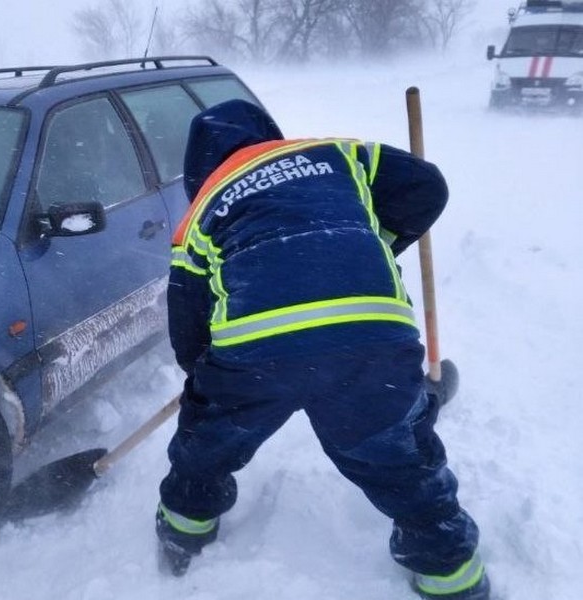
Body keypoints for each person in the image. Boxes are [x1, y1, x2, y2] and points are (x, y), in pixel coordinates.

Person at [154, 99, 489, 600]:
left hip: (253, 353)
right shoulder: (334, 154)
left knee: (208, 445)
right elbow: (426, 187)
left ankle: (183, 533)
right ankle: (450, 575)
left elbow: (188, 320)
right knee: (399, 459)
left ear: (199, 168)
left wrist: (207, 384)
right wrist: (363, 242)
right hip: (370, 336)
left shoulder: (202, 210)